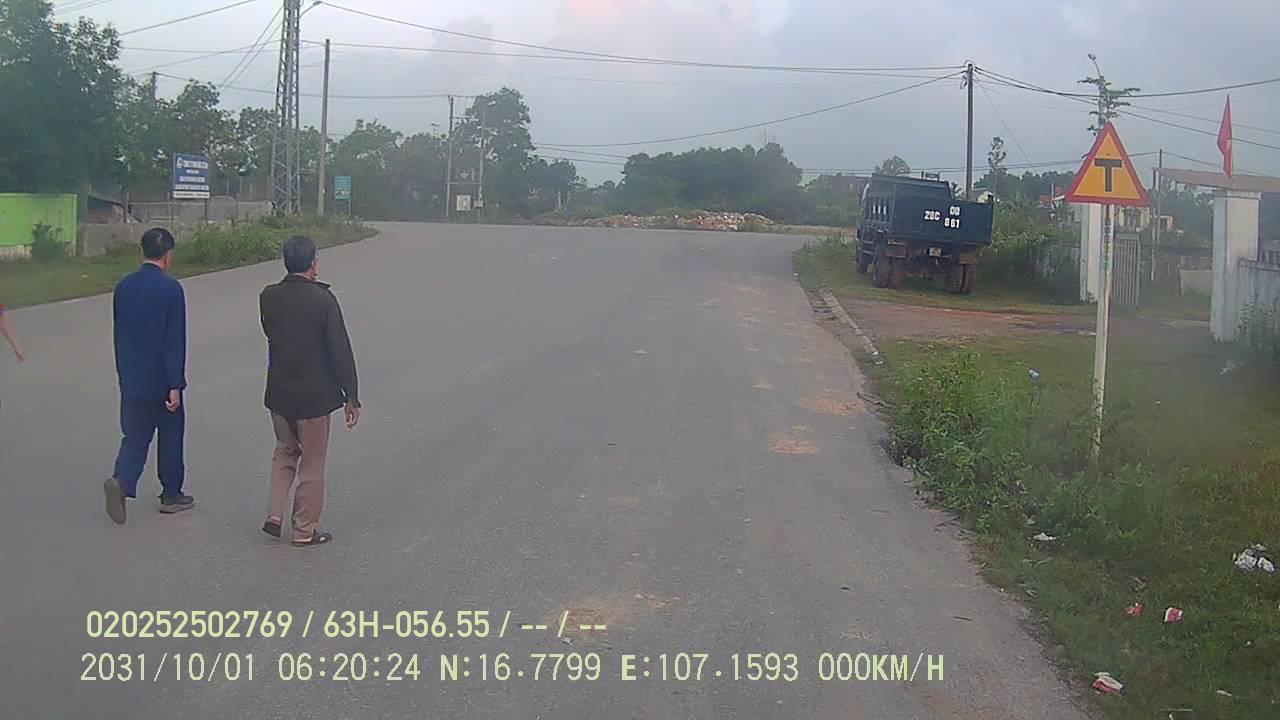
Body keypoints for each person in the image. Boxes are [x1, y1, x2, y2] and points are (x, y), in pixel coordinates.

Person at [258, 235, 360, 547]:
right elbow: (339, 350)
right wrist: (351, 396)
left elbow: (270, 331)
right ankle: (304, 529)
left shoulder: (268, 297)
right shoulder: (323, 301)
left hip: (279, 393)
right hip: (314, 398)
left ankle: (275, 514)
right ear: (313, 263)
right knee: (312, 463)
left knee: (284, 452)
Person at [103, 228, 194, 524]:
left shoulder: (123, 287)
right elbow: (174, 341)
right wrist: (175, 384)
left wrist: (124, 373)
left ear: (142, 251)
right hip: (162, 379)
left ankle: (122, 480)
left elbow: (120, 333)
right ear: (168, 255)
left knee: (135, 435)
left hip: (132, 376)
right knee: (170, 436)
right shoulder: (171, 289)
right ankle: (171, 494)